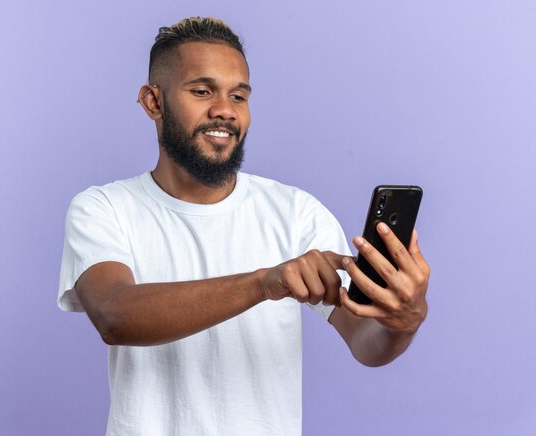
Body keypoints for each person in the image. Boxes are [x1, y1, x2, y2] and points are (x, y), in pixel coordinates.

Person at [58, 17, 429, 436]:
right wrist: (262, 283)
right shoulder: (104, 208)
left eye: (239, 95)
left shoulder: (296, 212)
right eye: (202, 91)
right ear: (152, 102)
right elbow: (115, 316)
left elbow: (367, 344)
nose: (225, 110)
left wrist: (404, 321)